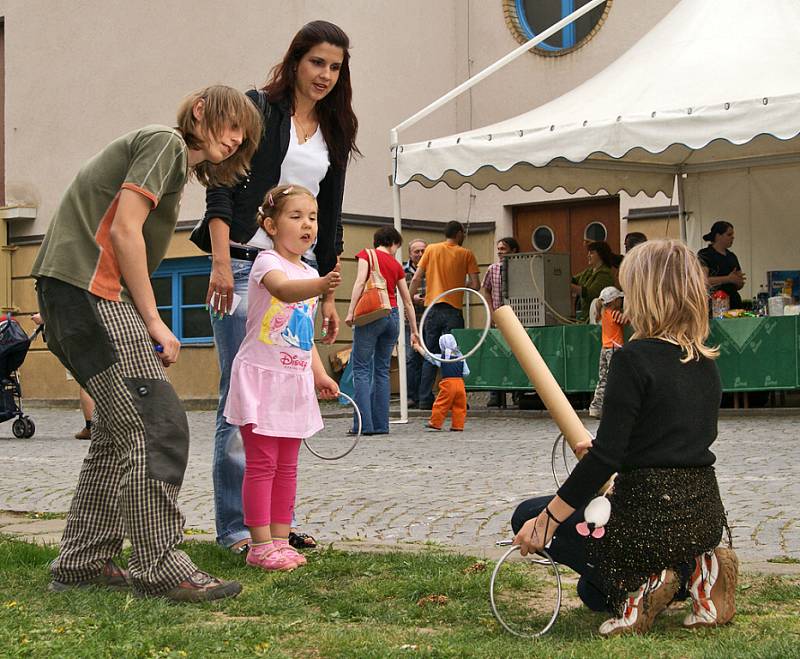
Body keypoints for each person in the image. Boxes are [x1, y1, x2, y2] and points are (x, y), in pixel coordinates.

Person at [31, 86, 262, 601]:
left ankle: (83, 561)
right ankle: (160, 564)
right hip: (88, 291)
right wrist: (155, 320)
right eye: (230, 124)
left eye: (242, 135)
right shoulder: (166, 143)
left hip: (74, 292)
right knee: (157, 424)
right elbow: (125, 232)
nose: (235, 138)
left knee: (118, 430)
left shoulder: (170, 162)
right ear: (200, 109)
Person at [512, 239, 737, 636]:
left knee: (526, 513)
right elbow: (675, 443)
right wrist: (608, 451)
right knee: (593, 594)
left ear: (645, 293)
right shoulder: (704, 360)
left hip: (648, 519)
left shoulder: (632, 359)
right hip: (703, 517)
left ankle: (645, 582)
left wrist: (546, 522)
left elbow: (607, 459)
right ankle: (699, 570)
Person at [203, 20, 359, 554]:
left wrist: (328, 292)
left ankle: (272, 527)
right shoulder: (258, 109)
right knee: (241, 398)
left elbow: (331, 215)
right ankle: (235, 530)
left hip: (300, 275)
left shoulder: (337, 130)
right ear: (296, 61)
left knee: (287, 396)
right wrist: (221, 263)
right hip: (246, 266)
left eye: (335, 67)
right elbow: (221, 184)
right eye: (317, 62)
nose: (325, 75)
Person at [223, 184, 340, 572]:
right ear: (271, 225)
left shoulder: (309, 270)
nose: (307, 224)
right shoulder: (266, 263)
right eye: (296, 216)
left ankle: (279, 539)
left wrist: (320, 374)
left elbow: (303, 337)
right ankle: (258, 545)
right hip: (261, 379)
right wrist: (321, 287)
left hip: (293, 381)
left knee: (288, 465)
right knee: (262, 463)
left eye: (312, 217)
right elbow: (285, 293)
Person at [344, 227, 420, 435]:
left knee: (360, 369)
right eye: (397, 246)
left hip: (372, 314)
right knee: (382, 370)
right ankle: (381, 425)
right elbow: (407, 300)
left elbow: (360, 283)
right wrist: (414, 330)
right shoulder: (396, 265)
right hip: (392, 316)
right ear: (393, 242)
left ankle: (363, 425)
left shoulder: (366, 255)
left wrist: (350, 312)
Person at [408, 221, 479, 410]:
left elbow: (416, 277)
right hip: (453, 310)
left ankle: (424, 398)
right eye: (462, 233)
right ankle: (455, 398)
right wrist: (457, 283)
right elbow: (475, 285)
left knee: (429, 354)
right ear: (458, 234)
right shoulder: (466, 254)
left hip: (432, 309)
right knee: (453, 355)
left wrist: (408, 299)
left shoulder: (431, 249)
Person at [480, 236, 519, 408]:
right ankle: (495, 393)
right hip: (498, 317)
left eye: (503, 249)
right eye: (499, 249)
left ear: (513, 250)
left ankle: (518, 392)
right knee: (496, 355)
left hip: (518, 318)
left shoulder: (522, 267)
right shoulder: (493, 269)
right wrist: (491, 311)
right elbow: (485, 290)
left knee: (518, 355)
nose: (499, 252)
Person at [414, 334, 470, 432]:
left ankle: (435, 423)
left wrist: (418, 347)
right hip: (460, 384)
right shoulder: (461, 357)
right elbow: (466, 372)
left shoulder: (442, 358)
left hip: (448, 384)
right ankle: (458, 425)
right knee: (460, 406)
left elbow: (428, 356)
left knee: (441, 404)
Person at [588, 286, 626, 419]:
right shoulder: (615, 314)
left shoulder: (603, 314)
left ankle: (595, 407)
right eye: (619, 299)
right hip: (615, 349)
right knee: (617, 378)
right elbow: (626, 321)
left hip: (605, 348)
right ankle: (616, 407)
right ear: (615, 301)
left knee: (603, 378)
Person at [697, 220, 746, 309]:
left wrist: (738, 281)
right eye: (729, 235)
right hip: (715, 303)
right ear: (718, 236)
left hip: (734, 303)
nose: (732, 238)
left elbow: (739, 284)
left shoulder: (732, 256)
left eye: (732, 235)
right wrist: (728, 279)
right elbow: (703, 281)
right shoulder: (705, 254)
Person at [404, 239, 426, 408]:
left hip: (428, 319)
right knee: (411, 358)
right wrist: (413, 299)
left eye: (422, 251)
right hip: (408, 321)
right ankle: (412, 396)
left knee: (427, 357)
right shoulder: (402, 271)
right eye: (416, 251)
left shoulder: (432, 269)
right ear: (410, 253)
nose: (419, 254)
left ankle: (425, 395)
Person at [571, 241, 616, 322]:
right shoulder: (588, 272)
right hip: (583, 317)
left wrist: (570, 287)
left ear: (600, 255)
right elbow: (573, 280)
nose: (588, 255)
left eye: (591, 253)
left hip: (595, 319)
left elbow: (591, 294)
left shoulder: (605, 275)